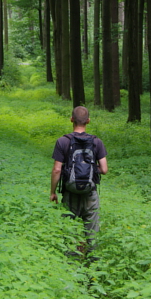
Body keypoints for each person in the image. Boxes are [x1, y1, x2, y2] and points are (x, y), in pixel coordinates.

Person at [50, 106, 108, 258]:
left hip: (70, 193)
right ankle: (93, 262)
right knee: (92, 231)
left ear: (71, 119)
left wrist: (53, 192)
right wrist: (89, 168)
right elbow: (104, 169)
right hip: (90, 193)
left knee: (69, 228)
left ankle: (70, 261)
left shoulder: (63, 141)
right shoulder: (97, 142)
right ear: (88, 121)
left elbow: (57, 170)